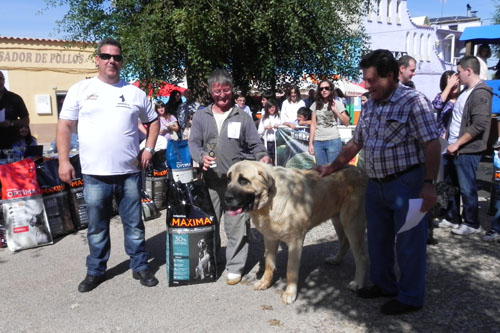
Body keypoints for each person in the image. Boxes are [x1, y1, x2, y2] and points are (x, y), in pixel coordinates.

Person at [316, 49, 440, 315]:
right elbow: (356, 142)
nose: (367, 85)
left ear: (391, 76)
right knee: (378, 241)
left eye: (371, 80)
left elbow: (432, 144)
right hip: (375, 185)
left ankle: (410, 297)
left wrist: (429, 184)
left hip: (408, 185)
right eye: (365, 80)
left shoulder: (414, 102)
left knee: (409, 243)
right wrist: (332, 167)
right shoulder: (370, 105)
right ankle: (384, 285)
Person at [56, 37, 160, 293]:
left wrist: (148, 147)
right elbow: (65, 126)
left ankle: (139, 265)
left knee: (134, 224)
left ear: (121, 61)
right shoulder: (80, 89)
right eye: (106, 56)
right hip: (94, 174)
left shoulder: (134, 92)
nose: (112, 61)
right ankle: (96, 270)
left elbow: (154, 121)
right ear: (97, 60)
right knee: (97, 227)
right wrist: (63, 160)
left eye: (116, 57)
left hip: (129, 173)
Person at [188, 69, 271, 285]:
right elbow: (193, 143)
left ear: (231, 90)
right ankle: (212, 261)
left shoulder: (242, 117)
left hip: (237, 184)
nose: (222, 95)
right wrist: (200, 156)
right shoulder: (201, 116)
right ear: (210, 92)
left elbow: (256, 145)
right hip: (210, 181)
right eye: (217, 91)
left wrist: (263, 157)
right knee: (209, 224)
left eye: (226, 90)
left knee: (237, 225)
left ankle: (235, 266)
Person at [440, 56, 492, 235]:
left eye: (459, 71)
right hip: (453, 147)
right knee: (451, 185)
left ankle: (472, 223)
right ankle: (453, 217)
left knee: (466, 186)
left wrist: (457, 144)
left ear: (468, 71)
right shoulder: (466, 92)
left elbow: (479, 125)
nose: (457, 74)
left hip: (467, 149)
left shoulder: (481, 93)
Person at [308, 80, 350, 166]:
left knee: (333, 173)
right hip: (318, 142)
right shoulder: (315, 105)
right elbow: (313, 124)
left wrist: (336, 111)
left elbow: (347, 122)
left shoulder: (337, 103)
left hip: (333, 140)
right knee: (321, 173)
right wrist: (310, 144)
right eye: (321, 89)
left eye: (327, 88)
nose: (324, 90)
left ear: (331, 90)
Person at [0, 71, 30, 149]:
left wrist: (11, 123)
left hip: (11, 143)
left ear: (4, 80)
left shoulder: (15, 98)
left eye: (0, 78)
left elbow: (26, 120)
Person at [431, 71, 459, 138]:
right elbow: (437, 105)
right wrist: (449, 86)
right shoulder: (442, 97)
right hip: (443, 138)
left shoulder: (462, 97)